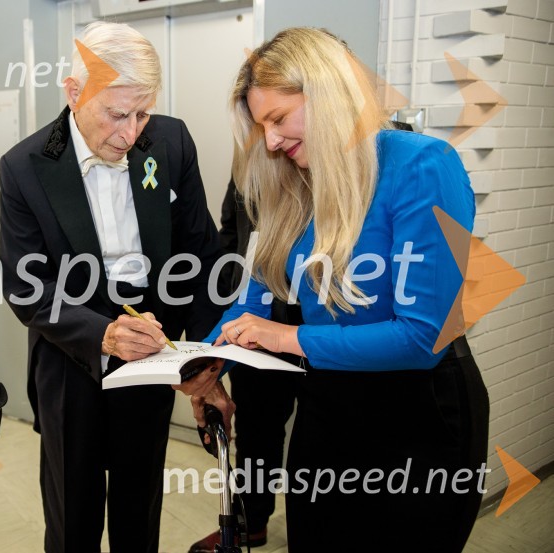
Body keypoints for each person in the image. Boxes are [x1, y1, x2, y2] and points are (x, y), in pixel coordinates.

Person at [179, 27, 490, 553]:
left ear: (326, 92)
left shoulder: (422, 165)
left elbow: (420, 337)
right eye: (262, 126)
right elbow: (254, 299)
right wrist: (206, 368)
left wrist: (284, 338)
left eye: (278, 119)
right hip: (329, 409)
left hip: (419, 415)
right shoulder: (294, 185)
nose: (271, 141)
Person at [0, 21, 223, 553]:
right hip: (72, 348)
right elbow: (27, 286)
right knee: (72, 514)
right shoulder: (26, 166)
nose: (130, 133)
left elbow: (202, 254)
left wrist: (204, 362)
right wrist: (103, 335)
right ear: (74, 92)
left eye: (142, 113)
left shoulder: (170, 142)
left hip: (152, 342)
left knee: (138, 505)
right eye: (117, 114)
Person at [188, 170, 300, 552]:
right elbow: (231, 234)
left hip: (322, 328)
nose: (270, 136)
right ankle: (250, 522)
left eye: (279, 120)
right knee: (255, 429)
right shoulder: (250, 162)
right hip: (255, 320)